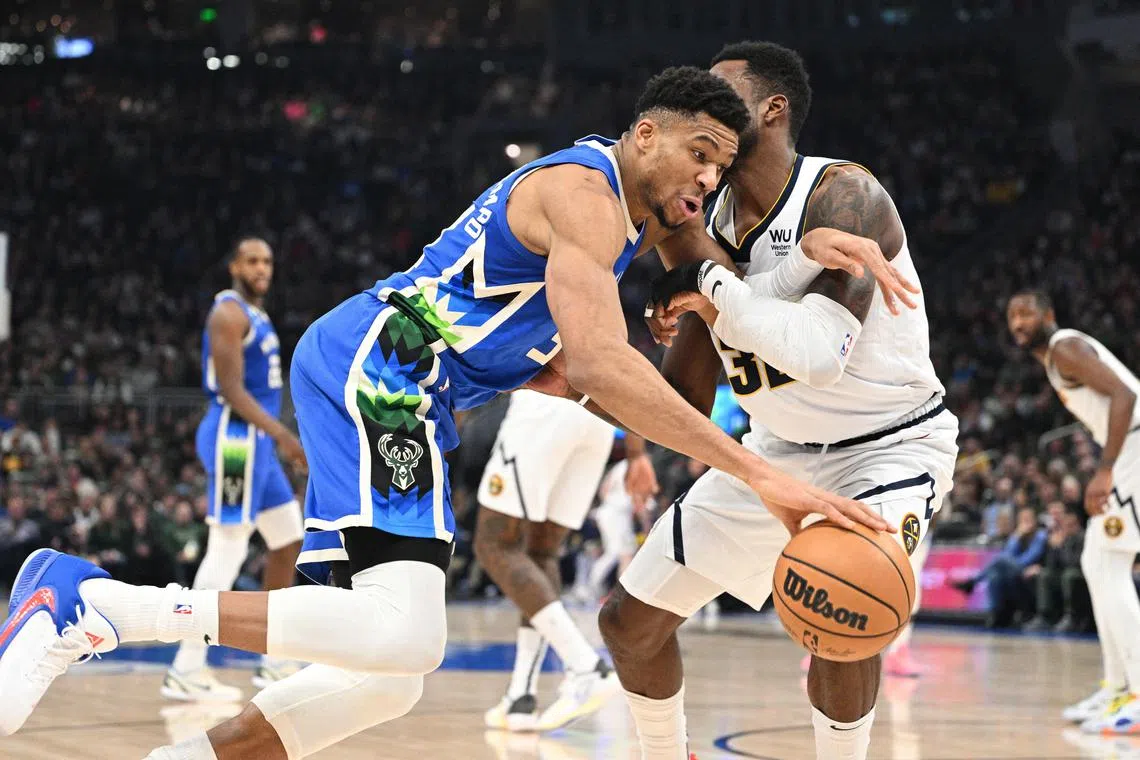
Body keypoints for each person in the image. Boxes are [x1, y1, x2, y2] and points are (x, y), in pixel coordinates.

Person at [0, 66, 904, 759]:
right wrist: (753, 468)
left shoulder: (621, 219)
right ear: (644, 133)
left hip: (408, 386)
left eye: (720, 165)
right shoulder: (587, 196)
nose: (707, 179)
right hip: (386, 371)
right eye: (699, 152)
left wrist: (790, 268)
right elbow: (598, 355)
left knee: (386, 681)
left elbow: (571, 365)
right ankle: (98, 603)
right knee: (409, 633)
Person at [597, 42, 958, 760]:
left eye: (723, 88)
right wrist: (585, 377)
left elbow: (819, 357)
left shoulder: (845, 194)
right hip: (771, 457)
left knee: (850, 609)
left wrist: (714, 285)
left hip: (887, 448)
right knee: (627, 623)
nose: (707, 97)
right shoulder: (701, 222)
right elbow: (687, 398)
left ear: (773, 108)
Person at [163, 238, 307, 703]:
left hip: (257, 442)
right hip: (236, 443)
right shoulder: (228, 313)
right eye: (252, 260)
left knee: (288, 539)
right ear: (234, 267)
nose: (262, 267)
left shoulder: (257, 314)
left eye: (267, 260)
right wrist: (285, 436)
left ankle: (275, 657)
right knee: (226, 550)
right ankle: (186, 668)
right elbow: (231, 391)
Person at [476, 391, 656, 732]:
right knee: (541, 553)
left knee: (493, 543)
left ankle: (585, 666)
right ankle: (520, 696)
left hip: (545, 404)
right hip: (601, 414)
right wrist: (636, 451)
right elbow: (621, 361)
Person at [1006, 289, 1140, 734]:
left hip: (1135, 446)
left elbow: (1125, 395)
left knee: (1111, 563)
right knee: (1096, 562)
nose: (1019, 322)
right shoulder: (1054, 359)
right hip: (1126, 451)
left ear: (1049, 314)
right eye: (1012, 317)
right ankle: (1119, 686)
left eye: (1026, 313)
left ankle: (1138, 690)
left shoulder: (1065, 346)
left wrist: (1104, 470)